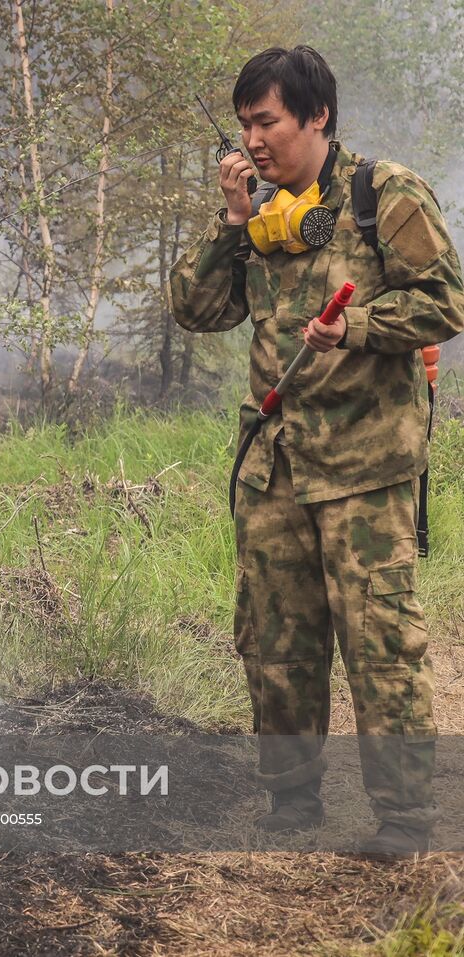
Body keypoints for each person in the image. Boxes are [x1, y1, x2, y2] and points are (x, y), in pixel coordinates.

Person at [169, 46, 463, 855]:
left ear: (317, 115)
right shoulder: (259, 214)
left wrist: (357, 326)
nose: (253, 140)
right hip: (275, 464)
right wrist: (230, 221)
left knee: (381, 644)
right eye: (244, 126)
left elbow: (446, 300)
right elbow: (194, 311)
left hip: (364, 468)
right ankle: (291, 803)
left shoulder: (383, 194)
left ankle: (404, 821)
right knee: (276, 640)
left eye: (266, 121)